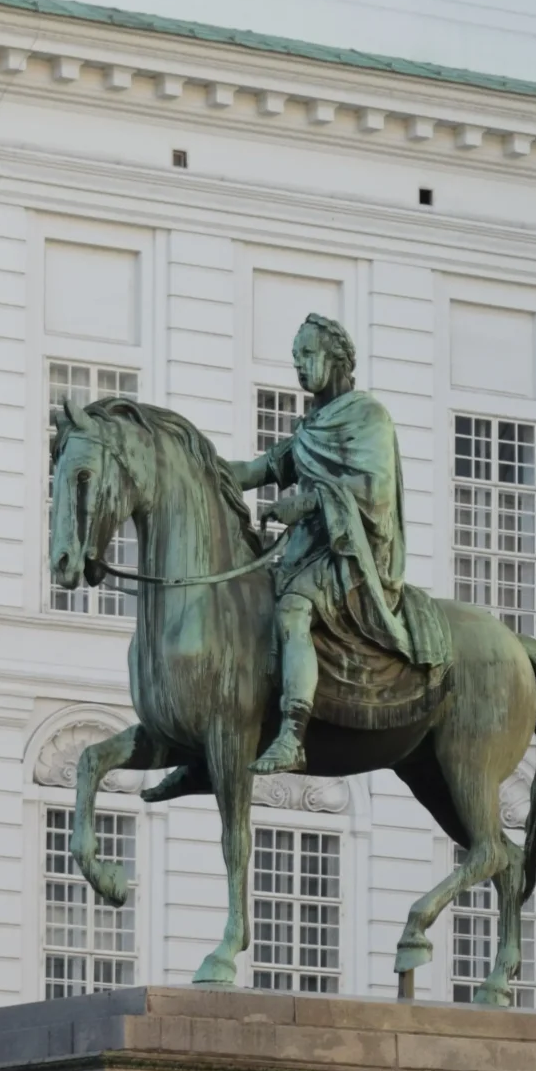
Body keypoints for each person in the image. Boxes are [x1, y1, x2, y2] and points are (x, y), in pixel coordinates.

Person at [226, 314, 449, 776]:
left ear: (336, 359)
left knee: (292, 609)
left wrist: (304, 503)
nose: (299, 368)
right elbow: (254, 470)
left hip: (353, 555)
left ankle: (291, 734)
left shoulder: (368, 416)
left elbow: (373, 493)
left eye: (307, 356)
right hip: (307, 550)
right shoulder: (313, 426)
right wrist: (190, 463)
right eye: (295, 360)